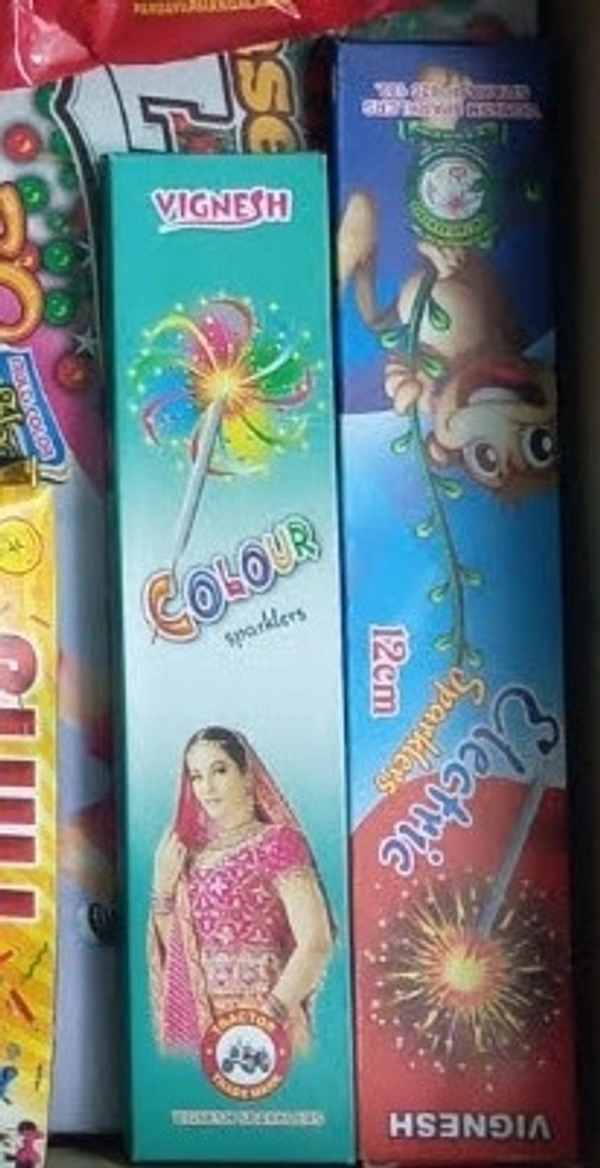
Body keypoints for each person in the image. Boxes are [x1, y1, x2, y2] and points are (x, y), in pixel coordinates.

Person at [148, 726, 334, 1059]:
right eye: (196, 776)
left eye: (219, 771)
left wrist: (266, 1016)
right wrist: (163, 889)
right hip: (206, 1030)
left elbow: (316, 942)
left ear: (248, 775)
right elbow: (180, 955)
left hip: (268, 1027)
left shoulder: (278, 843)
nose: (207, 787)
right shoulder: (192, 858)